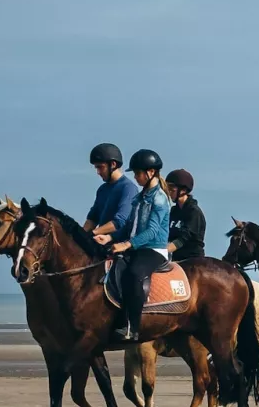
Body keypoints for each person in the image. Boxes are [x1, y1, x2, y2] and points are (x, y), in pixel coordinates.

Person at [103, 149, 171, 343]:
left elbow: (151, 231)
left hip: (154, 250)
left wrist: (126, 245)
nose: (136, 177)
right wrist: (109, 238)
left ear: (150, 172)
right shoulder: (140, 197)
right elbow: (128, 226)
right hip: (137, 247)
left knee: (134, 273)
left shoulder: (160, 199)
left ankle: (133, 328)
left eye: (138, 173)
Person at [84, 143, 139, 244]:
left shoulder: (128, 188)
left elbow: (120, 221)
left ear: (113, 164)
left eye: (100, 167)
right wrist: (80, 236)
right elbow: (92, 218)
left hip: (119, 246)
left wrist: (92, 233)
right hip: (101, 243)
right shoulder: (102, 189)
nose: (98, 172)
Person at [165, 169, 207, 262]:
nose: (169, 192)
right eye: (167, 189)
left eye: (172, 189)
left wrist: (163, 251)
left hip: (193, 261)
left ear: (183, 190)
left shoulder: (194, 212)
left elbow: (183, 239)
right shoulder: (173, 211)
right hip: (176, 259)